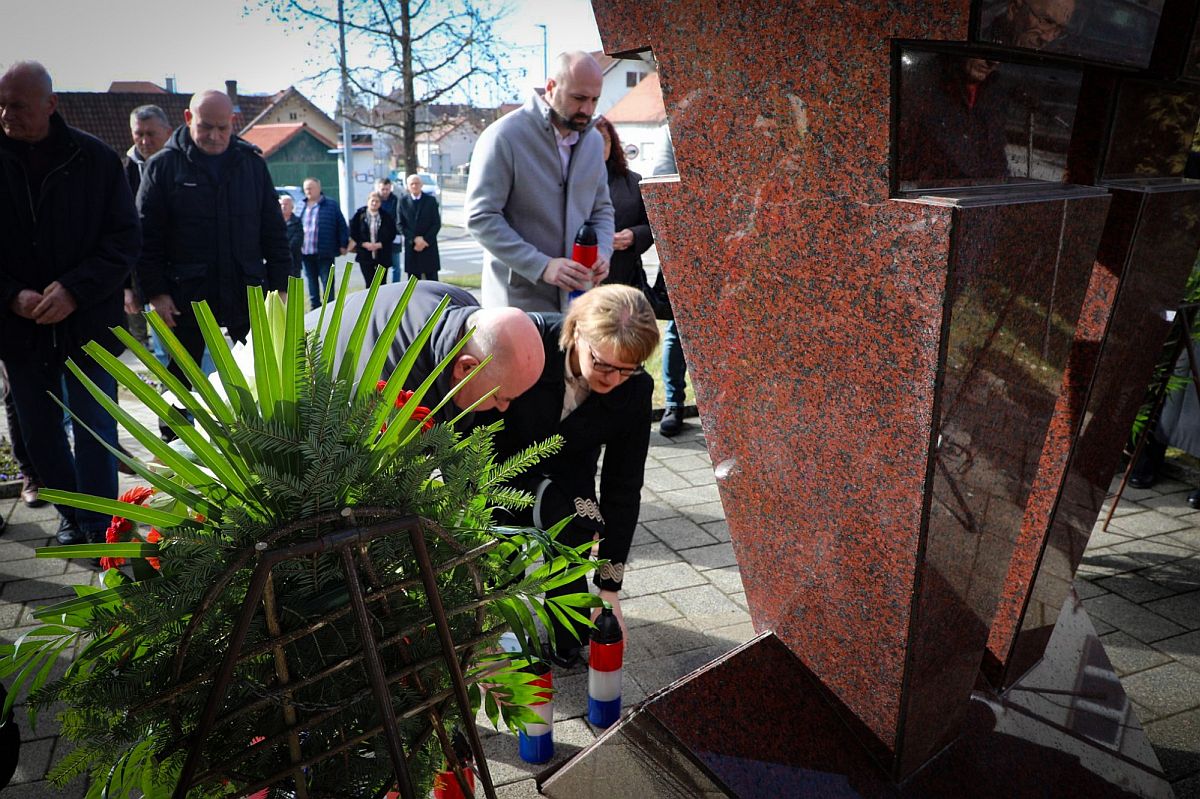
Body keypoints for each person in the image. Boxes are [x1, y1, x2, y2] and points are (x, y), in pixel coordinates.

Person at [481, 285, 659, 667]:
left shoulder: (635, 389)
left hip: (568, 472)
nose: (612, 380)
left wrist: (609, 589)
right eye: (603, 364)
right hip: (500, 465)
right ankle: (501, 622)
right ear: (577, 332)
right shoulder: (528, 344)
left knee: (579, 522)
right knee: (500, 553)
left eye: (626, 370)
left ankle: (570, 628)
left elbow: (623, 488)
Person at [0, 61, 139, 545]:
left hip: (87, 321)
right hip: (18, 328)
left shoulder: (96, 159)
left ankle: (101, 523)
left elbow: (124, 240)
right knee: (40, 432)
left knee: (95, 425)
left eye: (17, 105)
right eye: (0, 104)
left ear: (49, 103)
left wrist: (75, 289)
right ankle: (71, 516)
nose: (6, 115)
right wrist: (11, 295)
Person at [136, 89, 291, 391]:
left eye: (223, 128)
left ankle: (259, 437)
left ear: (233, 121)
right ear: (188, 118)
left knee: (264, 378)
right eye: (206, 126)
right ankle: (175, 438)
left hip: (246, 292)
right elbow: (145, 238)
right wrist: (155, 293)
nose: (215, 136)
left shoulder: (252, 164)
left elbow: (274, 232)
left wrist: (281, 288)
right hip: (185, 296)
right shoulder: (163, 167)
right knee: (180, 383)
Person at [466, 50, 614, 312]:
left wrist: (602, 252)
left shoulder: (592, 142)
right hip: (517, 307)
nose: (587, 110)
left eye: (594, 100)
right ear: (550, 87)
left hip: (577, 305)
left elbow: (601, 209)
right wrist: (541, 265)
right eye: (578, 98)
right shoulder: (503, 136)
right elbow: (481, 217)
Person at [307, 280, 545, 425]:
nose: (504, 408)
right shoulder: (395, 394)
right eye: (501, 398)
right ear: (466, 367)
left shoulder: (461, 307)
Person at [653, 128, 688, 436]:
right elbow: (662, 182)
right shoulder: (672, 127)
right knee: (678, 329)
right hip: (688, 240)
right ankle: (674, 404)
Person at [594, 117, 655, 290]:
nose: (600, 147)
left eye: (604, 140)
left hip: (624, 279)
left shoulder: (632, 181)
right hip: (582, 278)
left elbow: (652, 225)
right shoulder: (565, 181)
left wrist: (634, 236)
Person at [298, 176, 348, 308]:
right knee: (311, 283)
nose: (308, 191)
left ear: (319, 188)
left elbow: (342, 225)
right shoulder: (301, 205)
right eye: (305, 189)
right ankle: (315, 309)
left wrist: (343, 244)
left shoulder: (331, 205)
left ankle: (329, 309)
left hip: (325, 252)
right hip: (306, 253)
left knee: (327, 283)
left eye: (310, 188)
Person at [982, 0, 1077, 50]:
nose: (1047, 38)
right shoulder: (978, 34)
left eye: (1059, 29)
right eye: (1046, 21)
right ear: (1014, 9)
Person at [398, 174, 442, 281]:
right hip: (412, 246)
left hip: (429, 245)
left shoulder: (431, 201)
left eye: (416, 183)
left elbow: (436, 223)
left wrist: (425, 240)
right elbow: (400, 224)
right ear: (407, 186)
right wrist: (414, 239)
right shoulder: (403, 202)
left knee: (432, 282)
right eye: (411, 184)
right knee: (413, 283)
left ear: (421, 185)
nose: (414, 186)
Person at [349, 190, 397, 286]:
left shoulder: (386, 217)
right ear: (368, 201)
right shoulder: (359, 215)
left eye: (377, 201)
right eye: (372, 201)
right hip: (365, 255)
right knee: (369, 283)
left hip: (382, 255)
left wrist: (380, 244)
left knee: (382, 284)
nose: (374, 203)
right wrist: (363, 244)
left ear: (380, 203)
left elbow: (392, 233)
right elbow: (353, 232)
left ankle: (381, 301)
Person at [375, 177, 403, 282]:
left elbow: (399, 217)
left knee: (396, 265)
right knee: (381, 266)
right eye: (383, 189)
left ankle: (395, 287)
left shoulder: (396, 200)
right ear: (379, 188)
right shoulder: (375, 200)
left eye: (387, 189)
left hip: (394, 236)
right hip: (379, 238)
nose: (385, 192)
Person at [280, 195, 303, 278]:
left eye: (286, 204)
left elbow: (298, 240)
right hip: (278, 262)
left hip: (294, 262)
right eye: (281, 204)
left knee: (294, 289)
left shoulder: (297, 222)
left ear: (292, 207)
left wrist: (284, 250)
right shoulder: (274, 222)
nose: (283, 206)